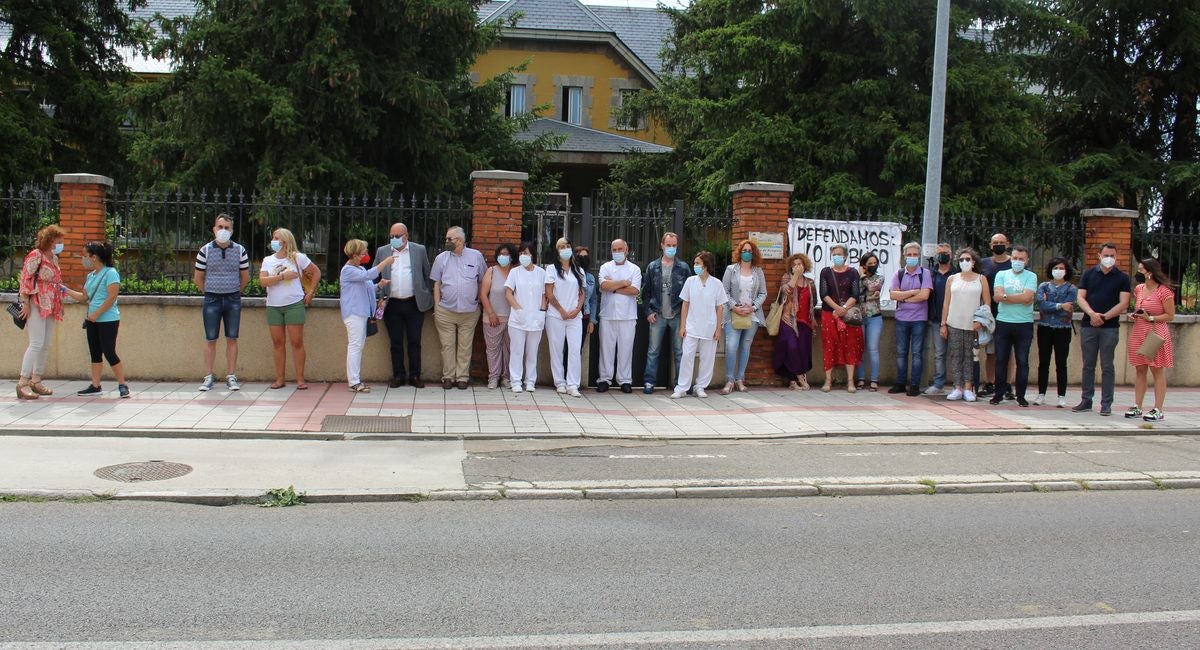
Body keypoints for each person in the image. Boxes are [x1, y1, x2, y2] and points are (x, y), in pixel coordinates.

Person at [62, 242, 129, 398]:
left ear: (94, 257)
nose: (84, 259)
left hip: (108, 319)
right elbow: (84, 297)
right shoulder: (91, 276)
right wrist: (65, 290)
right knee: (95, 353)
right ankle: (95, 385)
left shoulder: (111, 273)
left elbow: (112, 297)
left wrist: (97, 313)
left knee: (109, 352)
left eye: (86, 256)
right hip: (92, 320)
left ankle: (122, 384)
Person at [1073, 243, 1131, 416]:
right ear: (1099, 255)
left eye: (1112, 255)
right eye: (1106, 255)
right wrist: (1092, 314)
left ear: (1116, 256)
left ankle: (1106, 403)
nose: (1109, 258)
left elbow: (1124, 303)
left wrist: (1104, 317)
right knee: (1088, 364)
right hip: (1088, 325)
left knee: (1107, 366)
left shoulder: (1122, 278)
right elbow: (1080, 297)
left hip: (1110, 327)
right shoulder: (1089, 274)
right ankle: (1086, 400)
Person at [194, 213, 250, 392]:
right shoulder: (205, 250)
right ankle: (209, 376)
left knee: (232, 338)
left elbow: (245, 277)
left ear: (232, 230)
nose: (223, 230)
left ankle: (231, 376)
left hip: (233, 299)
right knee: (210, 338)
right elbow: (198, 278)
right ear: (214, 229)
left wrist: (235, 292)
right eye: (220, 227)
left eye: (227, 228)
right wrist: (209, 292)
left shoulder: (240, 250)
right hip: (212, 299)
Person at [375, 223, 432, 388]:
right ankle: (398, 375)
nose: (393, 239)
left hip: (414, 303)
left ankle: (415, 376)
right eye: (391, 236)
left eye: (397, 236)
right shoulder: (383, 251)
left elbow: (426, 274)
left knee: (415, 341)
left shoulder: (419, 250)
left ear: (406, 236)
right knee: (395, 342)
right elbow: (374, 274)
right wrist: (380, 295)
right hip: (391, 303)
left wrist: (425, 294)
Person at [260, 227, 318, 390]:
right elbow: (263, 281)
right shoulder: (268, 260)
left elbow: (316, 272)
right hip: (274, 305)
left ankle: (300, 379)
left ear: (285, 241)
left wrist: (311, 291)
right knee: (278, 343)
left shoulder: (297, 258)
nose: (274, 241)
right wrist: (281, 277)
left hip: (294, 304)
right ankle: (280, 379)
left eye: (277, 238)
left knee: (296, 342)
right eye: (273, 238)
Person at [15, 225, 67, 400]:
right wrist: (25, 303)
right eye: (58, 239)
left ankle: (36, 380)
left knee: (45, 344)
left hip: (51, 304)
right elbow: (25, 279)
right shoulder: (35, 255)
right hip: (36, 302)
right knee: (36, 343)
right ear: (50, 239)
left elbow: (56, 281)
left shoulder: (53, 257)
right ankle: (22, 382)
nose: (60, 243)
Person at [430, 226, 486, 390]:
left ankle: (462, 377)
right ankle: (448, 377)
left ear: (460, 241)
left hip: (469, 311)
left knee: (465, 345)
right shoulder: (441, 258)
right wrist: (437, 305)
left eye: (449, 239)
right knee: (447, 346)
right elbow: (436, 283)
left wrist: (478, 300)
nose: (446, 241)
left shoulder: (476, 256)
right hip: (445, 310)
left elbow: (482, 280)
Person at [340, 239, 395, 393]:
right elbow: (371, 274)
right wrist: (385, 262)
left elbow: (368, 287)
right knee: (355, 346)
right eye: (363, 252)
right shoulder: (348, 270)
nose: (365, 254)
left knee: (358, 346)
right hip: (354, 313)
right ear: (355, 254)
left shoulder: (360, 270)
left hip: (363, 313)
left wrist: (379, 286)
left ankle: (355, 379)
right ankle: (353, 381)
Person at [1125, 259, 1176, 422]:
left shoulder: (1164, 291)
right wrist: (1135, 315)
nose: (1138, 273)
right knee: (1140, 370)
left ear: (1150, 272)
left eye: (1141, 270)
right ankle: (1137, 406)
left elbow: (1170, 315)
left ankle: (1158, 409)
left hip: (1155, 333)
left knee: (1157, 370)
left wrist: (1151, 317)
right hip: (1139, 332)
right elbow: (1139, 308)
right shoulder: (1139, 289)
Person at [641, 232, 692, 394]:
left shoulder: (683, 268)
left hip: (677, 315)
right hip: (658, 315)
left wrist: (686, 317)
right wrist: (648, 311)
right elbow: (645, 292)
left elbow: (690, 294)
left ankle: (680, 384)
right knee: (653, 350)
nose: (671, 248)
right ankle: (649, 382)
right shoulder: (652, 267)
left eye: (674, 245)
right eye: (668, 245)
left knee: (679, 352)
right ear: (662, 246)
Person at [672, 251, 727, 398]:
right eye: (695, 263)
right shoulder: (690, 281)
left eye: (698, 263)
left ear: (706, 265)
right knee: (687, 356)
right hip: (691, 326)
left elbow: (720, 307)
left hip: (709, 327)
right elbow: (685, 304)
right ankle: (682, 388)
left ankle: (700, 386)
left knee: (707, 359)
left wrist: (718, 329)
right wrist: (683, 326)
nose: (695, 266)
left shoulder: (717, 284)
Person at [940, 248, 991, 402]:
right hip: (954, 322)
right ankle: (957, 387)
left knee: (970, 356)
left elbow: (987, 301)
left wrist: (980, 321)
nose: (964, 262)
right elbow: (946, 302)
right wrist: (943, 324)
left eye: (968, 259)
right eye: (961, 259)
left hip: (972, 324)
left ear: (973, 262)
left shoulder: (981, 279)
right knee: (956, 355)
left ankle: (969, 388)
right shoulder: (952, 279)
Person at [991, 245, 1037, 406]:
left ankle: (1021, 396)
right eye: (1015, 258)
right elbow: (996, 297)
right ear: (1011, 258)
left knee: (1022, 361)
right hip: (1004, 322)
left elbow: (1027, 298)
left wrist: (1006, 296)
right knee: (1001, 359)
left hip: (1024, 324)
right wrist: (1015, 297)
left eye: (1021, 259)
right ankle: (998, 394)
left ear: (1027, 260)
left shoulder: (1031, 276)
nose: (1017, 261)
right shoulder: (1001, 274)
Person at [720, 239, 768, 395]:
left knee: (745, 347)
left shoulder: (758, 271)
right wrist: (735, 306)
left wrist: (753, 307)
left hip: (752, 315)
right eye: (744, 250)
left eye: (749, 251)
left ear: (753, 253)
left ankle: (740, 379)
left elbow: (763, 293)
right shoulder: (731, 269)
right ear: (739, 252)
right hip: (733, 314)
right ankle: (729, 380)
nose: (747, 253)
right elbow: (724, 291)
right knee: (732, 346)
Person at [596, 239, 642, 393]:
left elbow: (634, 290)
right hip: (608, 314)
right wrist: (623, 282)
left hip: (628, 316)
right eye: (614, 249)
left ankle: (625, 380)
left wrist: (613, 287)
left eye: (620, 249)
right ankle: (604, 379)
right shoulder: (605, 267)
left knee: (626, 349)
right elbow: (603, 285)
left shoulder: (635, 269)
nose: (617, 252)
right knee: (606, 349)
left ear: (627, 250)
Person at [544, 238, 586, 397]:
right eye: (562, 247)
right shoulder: (551, 269)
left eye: (568, 246)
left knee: (575, 350)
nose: (565, 249)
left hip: (575, 317)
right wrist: (561, 310)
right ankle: (560, 382)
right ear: (557, 251)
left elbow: (582, 293)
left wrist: (577, 309)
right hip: (556, 315)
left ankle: (573, 384)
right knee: (556, 350)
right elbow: (549, 293)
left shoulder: (578, 270)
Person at [818, 244, 863, 393]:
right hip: (829, 314)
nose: (836, 256)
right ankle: (828, 380)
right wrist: (836, 308)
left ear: (845, 256)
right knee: (829, 345)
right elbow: (823, 293)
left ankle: (850, 381)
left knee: (850, 346)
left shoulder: (853, 273)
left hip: (848, 315)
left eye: (839, 254)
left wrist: (844, 309)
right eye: (834, 254)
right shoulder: (826, 272)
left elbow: (855, 294)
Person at [890, 242, 933, 396]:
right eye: (909, 255)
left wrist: (904, 297)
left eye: (915, 255)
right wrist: (914, 292)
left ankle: (914, 384)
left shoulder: (925, 273)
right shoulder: (899, 274)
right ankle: (900, 383)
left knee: (916, 353)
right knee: (901, 352)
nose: (912, 257)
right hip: (901, 318)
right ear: (904, 256)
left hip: (919, 319)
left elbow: (925, 296)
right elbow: (893, 295)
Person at [1034, 257, 1077, 407]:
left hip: (1063, 329)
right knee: (1043, 361)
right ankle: (1041, 394)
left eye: (1061, 268)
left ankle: (1061, 395)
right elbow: (1042, 304)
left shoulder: (1071, 288)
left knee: (1061, 362)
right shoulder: (1044, 286)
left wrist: (1053, 305)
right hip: (1045, 327)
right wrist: (1060, 305)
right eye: (1055, 268)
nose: (1058, 271)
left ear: (1066, 271)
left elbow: (1069, 308)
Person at [504, 243, 547, 392]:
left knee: (532, 351)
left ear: (532, 255)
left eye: (526, 253)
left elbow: (543, 294)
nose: (524, 256)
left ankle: (530, 381)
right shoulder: (515, 272)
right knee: (517, 351)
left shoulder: (541, 272)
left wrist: (542, 311)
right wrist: (518, 309)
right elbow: (508, 293)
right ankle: (515, 380)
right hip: (517, 319)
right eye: (521, 253)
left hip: (536, 318)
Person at [773, 253, 815, 391]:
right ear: (791, 267)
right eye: (795, 264)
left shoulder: (810, 283)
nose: (798, 266)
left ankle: (792, 381)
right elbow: (787, 290)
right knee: (791, 348)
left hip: (805, 321)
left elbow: (813, 302)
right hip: (788, 319)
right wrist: (796, 276)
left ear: (805, 266)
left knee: (802, 350)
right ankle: (800, 376)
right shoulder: (786, 278)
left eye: (800, 264)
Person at [980, 232, 1013, 398]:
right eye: (995, 242)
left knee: (1008, 353)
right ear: (990, 245)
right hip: (989, 314)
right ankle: (989, 383)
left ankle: (1007, 385)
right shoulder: (984, 263)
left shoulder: (1014, 263)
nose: (998, 245)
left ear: (1007, 244)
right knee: (990, 352)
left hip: (1009, 314)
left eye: (1001, 242)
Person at [480, 243, 515, 390]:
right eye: (501, 253)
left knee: (509, 349)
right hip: (492, 318)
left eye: (506, 254)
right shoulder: (491, 271)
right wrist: (491, 313)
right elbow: (483, 294)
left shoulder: (516, 272)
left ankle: (506, 377)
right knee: (493, 349)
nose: (503, 256)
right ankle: (493, 377)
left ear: (512, 256)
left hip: (512, 318)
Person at [925, 243, 956, 395]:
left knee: (958, 353)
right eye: (940, 253)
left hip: (957, 319)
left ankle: (959, 385)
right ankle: (939, 384)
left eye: (945, 252)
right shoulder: (930, 273)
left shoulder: (957, 273)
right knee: (939, 353)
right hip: (937, 320)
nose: (942, 255)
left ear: (951, 254)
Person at [854, 252, 884, 392]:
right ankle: (860, 379)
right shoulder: (856, 279)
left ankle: (874, 380)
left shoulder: (879, 277)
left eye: (874, 263)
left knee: (872, 349)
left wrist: (863, 276)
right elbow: (855, 295)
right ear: (863, 265)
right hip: (859, 318)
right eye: (869, 263)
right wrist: (867, 297)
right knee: (860, 350)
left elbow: (873, 287)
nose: (873, 265)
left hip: (874, 318)